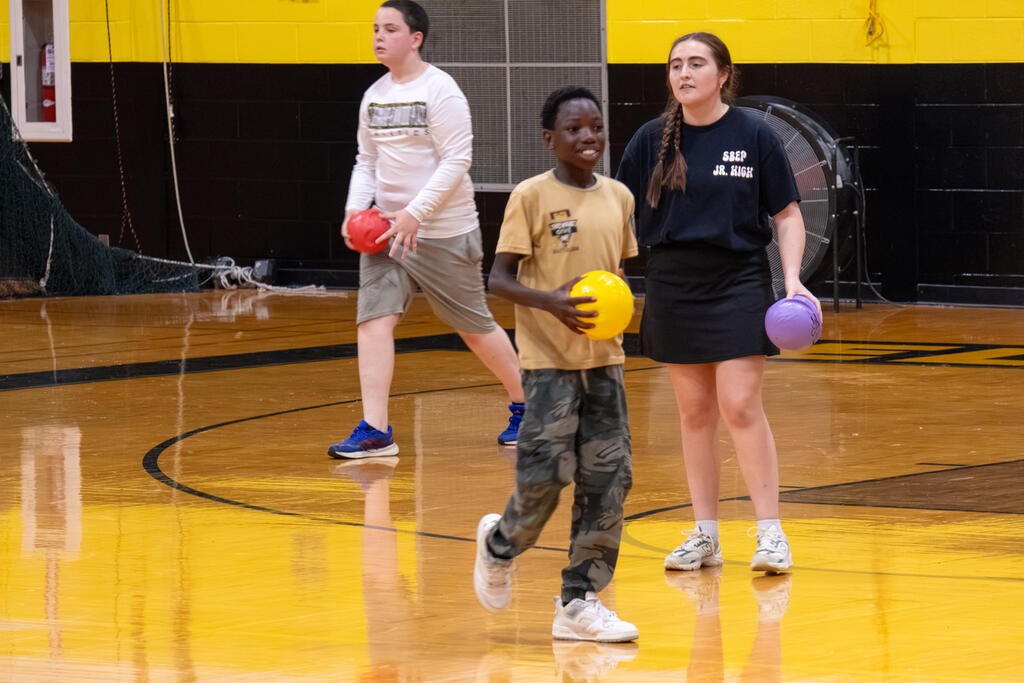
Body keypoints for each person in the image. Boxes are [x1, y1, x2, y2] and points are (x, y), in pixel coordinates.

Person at [615, 32, 822, 573]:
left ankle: (771, 534)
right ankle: (705, 536)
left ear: (723, 74)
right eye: (675, 65)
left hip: (738, 281)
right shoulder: (649, 140)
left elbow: (788, 215)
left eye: (696, 63)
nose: (684, 74)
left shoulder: (754, 134)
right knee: (695, 412)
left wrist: (792, 279)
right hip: (672, 284)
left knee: (740, 404)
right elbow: (617, 213)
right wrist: (610, 272)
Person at [473, 87, 639, 642]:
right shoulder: (531, 196)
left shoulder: (619, 197)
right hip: (547, 366)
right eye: (574, 128)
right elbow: (498, 280)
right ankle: (500, 545)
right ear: (550, 138)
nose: (588, 136)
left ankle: (578, 601)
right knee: (545, 478)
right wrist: (551, 302)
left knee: (609, 480)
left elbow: (616, 277)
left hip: (606, 363)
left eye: (596, 126)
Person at [328, 0, 525, 459]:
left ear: (415, 39)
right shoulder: (374, 95)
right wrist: (354, 212)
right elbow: (366, 162)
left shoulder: (442, 90)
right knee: (373, 321)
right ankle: (376, 429)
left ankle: (526, 402)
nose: (379, 37)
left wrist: (416, 213)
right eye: (375, 29)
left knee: (473, 327)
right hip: (385, 233)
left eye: (390, 29)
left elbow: (458, 160)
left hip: (443, 231)